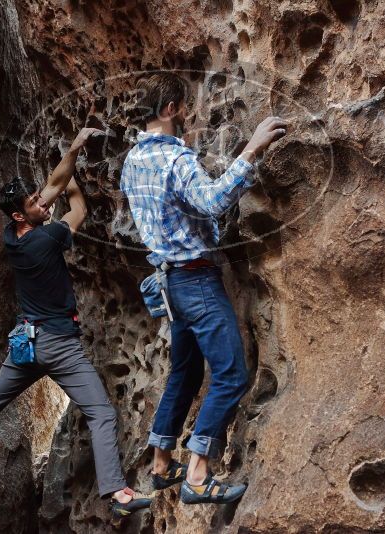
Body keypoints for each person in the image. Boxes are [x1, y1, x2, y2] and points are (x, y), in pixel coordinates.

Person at [0, 127, 151, 518]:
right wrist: (75, 180)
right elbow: (77, 208)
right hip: (59, 345)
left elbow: (51, 185)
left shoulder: (13, 236)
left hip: (25, 345)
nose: (41, 201)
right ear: (22, 215)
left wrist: (74, 151)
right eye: (34, 202)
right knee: (100, 412)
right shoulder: (46, 240)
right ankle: (116, 492)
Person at [120, 72, 288, 504]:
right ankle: (197, 474)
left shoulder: (131, 162)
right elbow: (212, 201)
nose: (192, 118)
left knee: (187, 370)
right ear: (172, 109)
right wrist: (252, 149)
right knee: (231, 374)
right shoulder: (176, 160)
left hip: (169, 284)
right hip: (195, 280)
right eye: (188, 108)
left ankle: (161, 461)